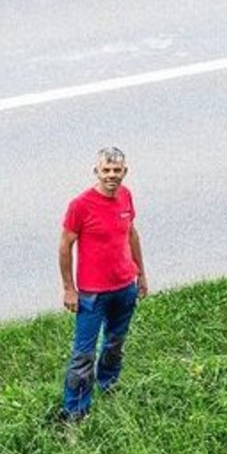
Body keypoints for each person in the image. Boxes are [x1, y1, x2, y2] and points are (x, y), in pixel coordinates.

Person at [57, 147, 148, 422]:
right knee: (83, 354)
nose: (111, 175)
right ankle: (74, 411)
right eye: (106, 170)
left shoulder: (126, 196)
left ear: (124, 172)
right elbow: (65, 245)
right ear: (96, 171)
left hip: (124, 287)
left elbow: (131, 235)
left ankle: (108, 385)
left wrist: (141, 274)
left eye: (116, 170)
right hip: (92, 294)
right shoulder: (80, 205)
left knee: (115, 343)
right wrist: (69, 288)